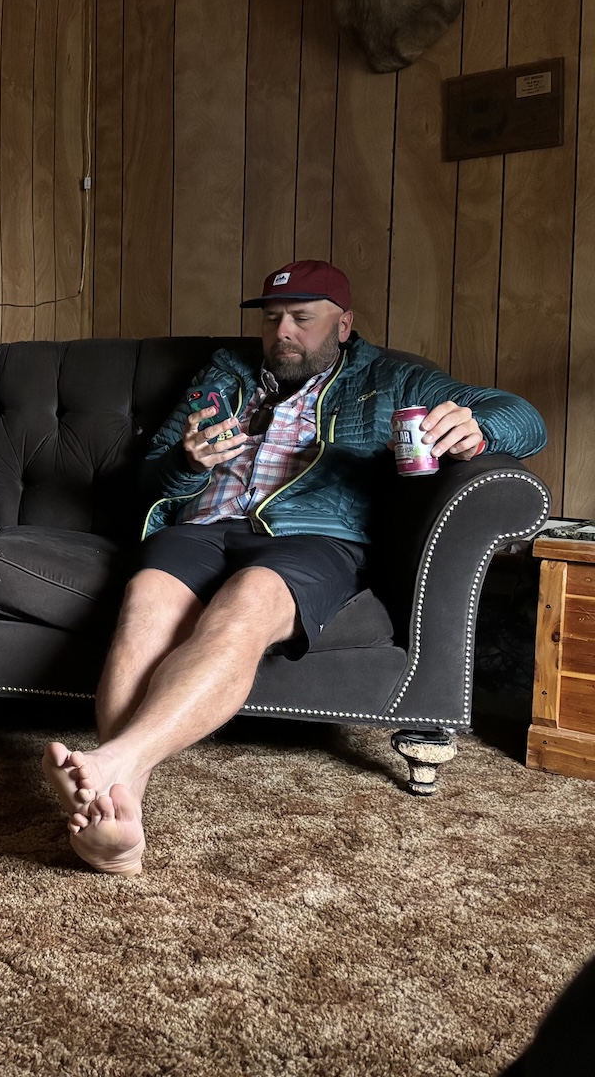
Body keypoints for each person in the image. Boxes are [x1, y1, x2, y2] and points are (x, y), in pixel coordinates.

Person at [43, 260, 547, 874]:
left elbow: (526, 419)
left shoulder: (392, 376)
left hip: (313, 537)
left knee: (250, 601)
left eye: (302, 318)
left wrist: (478, 427)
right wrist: (187, 464)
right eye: (273, 317)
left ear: (343, 324)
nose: (282, 330)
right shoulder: (223, 374)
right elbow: (149, 476)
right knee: (145, 601)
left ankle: (115, 766)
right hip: (202, 526)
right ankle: (122, 817)